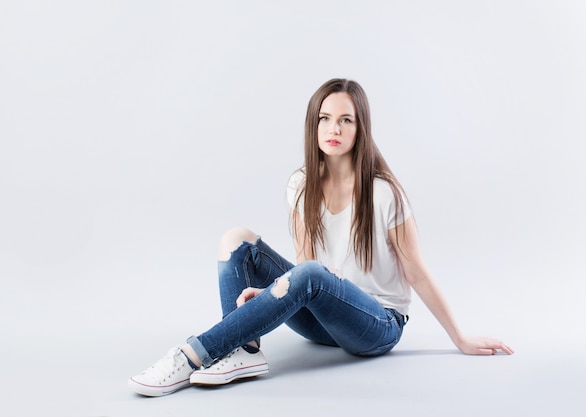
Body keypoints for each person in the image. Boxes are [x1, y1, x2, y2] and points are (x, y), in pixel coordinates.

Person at [128, 78, 513, 397]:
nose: (334, 129)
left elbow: (417, 273)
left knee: (310, 273)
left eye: (346, 120)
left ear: (361, 129)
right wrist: (266, 299)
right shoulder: (301, 184)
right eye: (325, 118)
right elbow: (304, 269)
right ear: (313, 126)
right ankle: (243, 350)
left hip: (376, 325)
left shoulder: (383, 193)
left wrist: (460, 338)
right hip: (322, 318)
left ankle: (194, 353)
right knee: (236, 239)